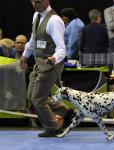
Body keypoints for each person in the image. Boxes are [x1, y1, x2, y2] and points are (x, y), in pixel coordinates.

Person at [20, 0, 75, 137]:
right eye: (33, 2)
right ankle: (65, 112)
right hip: (39, 64)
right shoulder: (36, 16)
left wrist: (55, 58)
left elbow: (62, 48)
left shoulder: (54, 21)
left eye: (38, 2)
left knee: (38, 99)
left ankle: (53, 128)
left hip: (52, 65)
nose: (35, 5)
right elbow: (34, 39)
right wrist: (25, 55)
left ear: (47, 1)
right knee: (31, 97)